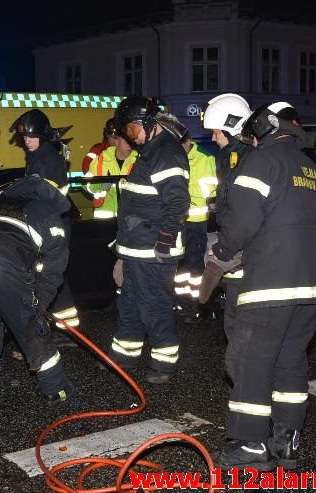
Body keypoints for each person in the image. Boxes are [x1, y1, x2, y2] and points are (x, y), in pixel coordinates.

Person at [209, 102, 316, 470]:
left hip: (271, 281)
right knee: (290, 360)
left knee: (249, 359)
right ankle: (286, 441)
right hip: (314, 282)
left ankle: (249, 445)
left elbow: (243, 220)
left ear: (262, 127)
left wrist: (222, 249)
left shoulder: (261, 161)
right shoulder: (309, 167)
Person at [0, 174, 73, 411]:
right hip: (1, 266)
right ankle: (56, 391)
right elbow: (53, 271)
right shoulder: (48, 215)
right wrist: (39, 304)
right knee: (33, 332)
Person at [106, 96, 190, 384]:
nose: (130, 137)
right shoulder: (152, 150)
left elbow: (178, 202)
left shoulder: (165, 151)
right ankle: (124, 357)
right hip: (136, 248)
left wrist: (163, 242)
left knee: (154, 305)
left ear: (148, 123)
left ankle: (164, 363)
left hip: (153, 250)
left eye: (131, 129)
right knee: (129, 303)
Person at [10, 109, 79, 335]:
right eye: (24, 137)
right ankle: (68, 330)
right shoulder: (38, 156)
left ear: (43, 135)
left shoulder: (47, 160)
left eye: (32, 136)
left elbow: (41, 196)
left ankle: (39, 335)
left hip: (52, 226)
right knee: (54, 277)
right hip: (49, 224)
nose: (27, 141)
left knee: (42, 279)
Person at [197, 94, 254, 332]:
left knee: (242, 319)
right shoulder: (232, 156)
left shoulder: (248, 158)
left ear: (231, 128)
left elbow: (246, 213)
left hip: (243, 249)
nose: (212, 137)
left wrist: (222, 252)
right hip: (235, 246)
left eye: (216, 132)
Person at [173, 129, 218, 322]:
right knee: (180, 265)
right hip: (177, 220)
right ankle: (182, 302)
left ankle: (196, 304)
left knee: (194, 265)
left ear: (189, 140)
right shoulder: (174, 156)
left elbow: (211, 190)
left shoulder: (204, 157)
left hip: (195, 221)